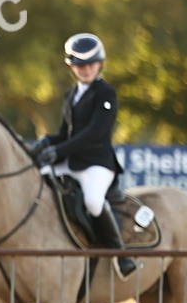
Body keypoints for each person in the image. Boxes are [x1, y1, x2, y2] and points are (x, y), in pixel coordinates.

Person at [30, 33, 137, 278]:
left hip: (96, 164)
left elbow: (94, 134)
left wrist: (58, 150)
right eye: (80, 65)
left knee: (93, 201)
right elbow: (65, 133)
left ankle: (121, 256)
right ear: (72, 67)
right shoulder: (70, 95)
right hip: (70, 161)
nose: (86, 69)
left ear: (100, 65)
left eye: (90, 64)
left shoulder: (105, 93)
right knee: (37, 182)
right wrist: (44, 143)